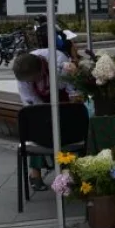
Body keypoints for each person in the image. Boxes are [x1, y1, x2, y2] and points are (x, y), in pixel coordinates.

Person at [12, 48, 75, 191]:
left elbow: (72, 89)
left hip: (65, 102)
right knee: (39, 129)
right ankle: (35, 174)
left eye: (34, 79)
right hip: (43, 107)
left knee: (67, 127)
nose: (31, 82)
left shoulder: (59, 62)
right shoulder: (23, 74)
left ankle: (68, 170)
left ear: (41, 69)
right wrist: (45, 115)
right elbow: (30, 101)